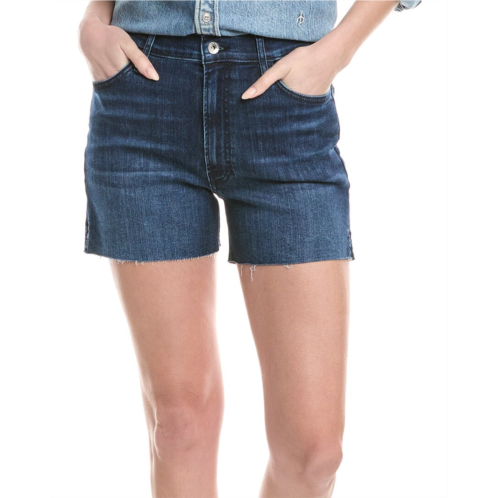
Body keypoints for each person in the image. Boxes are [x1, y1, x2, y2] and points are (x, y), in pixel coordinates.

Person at [80, 1, 421, 497]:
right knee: (178, 426)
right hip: (145, 90)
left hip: (285, 101)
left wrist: (336, 52)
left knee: (314, 453)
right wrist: (94, 20)